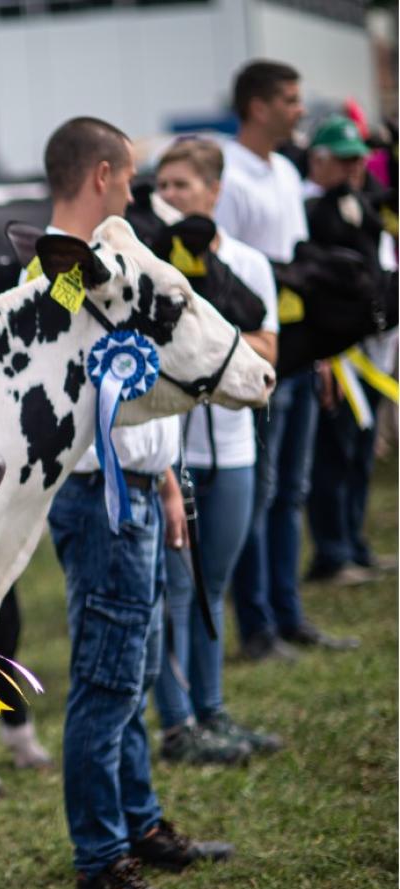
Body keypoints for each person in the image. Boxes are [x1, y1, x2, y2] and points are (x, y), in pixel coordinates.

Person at [39, 117, 231, 889]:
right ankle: (101, 868)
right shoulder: (56, 276)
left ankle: (138, 823)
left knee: (134, 669)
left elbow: (142, 384)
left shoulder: (113, 262)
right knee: (106, 681)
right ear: (101, 175)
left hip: (137, 488)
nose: (135, 189)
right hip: (99, 495)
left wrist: (168, 478)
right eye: (127, 177)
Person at [149, 138, 286, 765]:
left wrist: (215, 338)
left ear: (214, 191)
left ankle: (213, 708)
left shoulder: (251, 265)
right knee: (176, 586)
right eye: (164, 185)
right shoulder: (154, 264)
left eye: (182, 185)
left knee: (214, 584)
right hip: (173, 448)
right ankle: (177, 723)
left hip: (231, 447)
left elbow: (268, 354)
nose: (170, 196)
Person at [217, 61, 358, 661]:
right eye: (292, 100)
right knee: (261, 493)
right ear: (258, 106)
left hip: (299, 355)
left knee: (290, 490)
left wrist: (320, 355)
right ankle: (258, 625)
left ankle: (287, 612)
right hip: (257, 359)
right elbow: (225, 281)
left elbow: (297, 267)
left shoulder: (283, 173)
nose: (301, 111)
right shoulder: (230, 177)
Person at [305, 115, 397, 587]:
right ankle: (332, 551)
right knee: (333, 454)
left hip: (370, 348)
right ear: (319, 161)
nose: (354, 167)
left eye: (359, 158)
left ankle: (354, 543)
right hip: (334, 353)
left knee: (360, 451)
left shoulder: (361, 202)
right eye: (343, 160)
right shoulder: (312, 209)